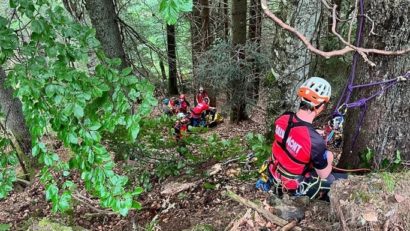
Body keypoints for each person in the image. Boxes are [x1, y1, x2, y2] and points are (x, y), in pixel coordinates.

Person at [256, 77, 347, 201]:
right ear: (319, 107)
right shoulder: (314, 142)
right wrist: (329, 155)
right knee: (341, 179)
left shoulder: (284, 118)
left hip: (275, 172)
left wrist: (314, 135)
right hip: (293, 187)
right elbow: (324, 174)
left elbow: (292, 134)